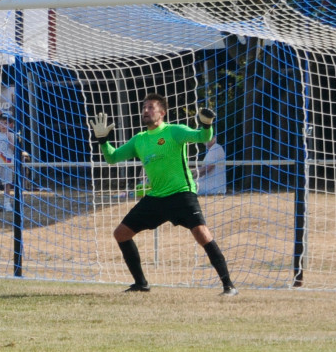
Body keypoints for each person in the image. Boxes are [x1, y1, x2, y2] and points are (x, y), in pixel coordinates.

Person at [89, 93, 238, 296]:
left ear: (162, 112)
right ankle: (141, 284)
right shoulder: (139, 139)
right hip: (156, 197)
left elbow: (202, 137)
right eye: (144, 107)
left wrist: (206, 125)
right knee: (121, 234)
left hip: (182, 195)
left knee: (202, 235)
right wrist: (103, 140)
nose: (146, 111)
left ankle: (228, 286)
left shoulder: (174, 131)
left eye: (151, 107)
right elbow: (112, 158)